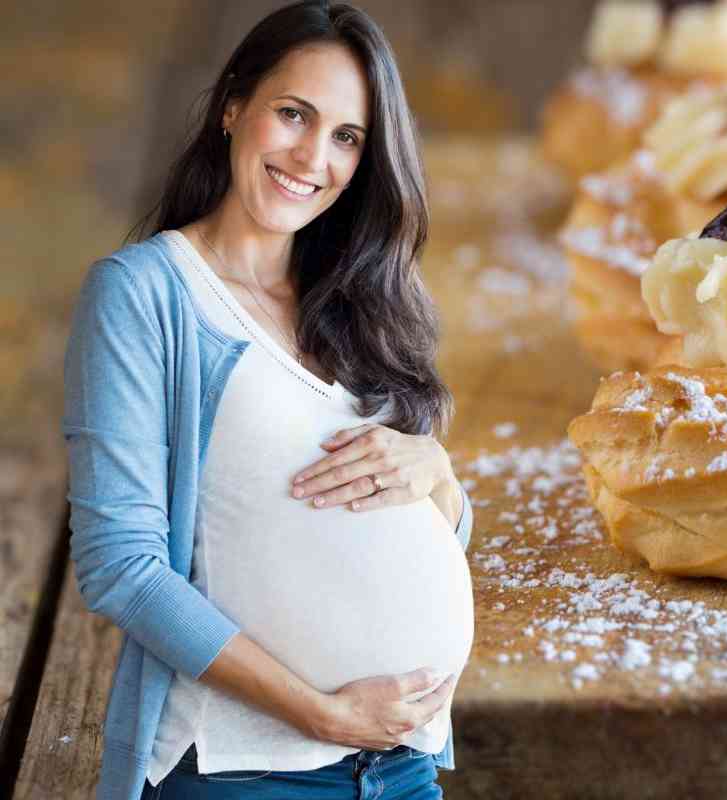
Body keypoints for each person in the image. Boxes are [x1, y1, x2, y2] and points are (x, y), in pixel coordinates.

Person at [60, 3, 476, 798]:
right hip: (244, 770)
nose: (311, 156)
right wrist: (321, 714)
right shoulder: (146, 295)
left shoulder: (357, 301)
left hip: (399, 767)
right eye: (293, 114)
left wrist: (436, 472)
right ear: (232, 107)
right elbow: (122, 568)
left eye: (347, 137)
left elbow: (441, 535)